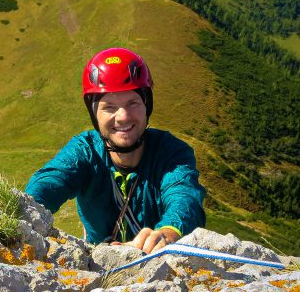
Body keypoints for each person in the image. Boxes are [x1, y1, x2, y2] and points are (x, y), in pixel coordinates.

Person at [25, 47, 206, 254]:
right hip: (97, 264)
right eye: (109, 107)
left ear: (147, 105)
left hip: (159, 261)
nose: (123, 117)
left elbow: (184, 196)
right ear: (95, 115)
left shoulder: (172, 153)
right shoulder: (84, 152)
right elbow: (47, 183)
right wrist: (22, 211)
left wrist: (169, 231)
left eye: (133, 103)